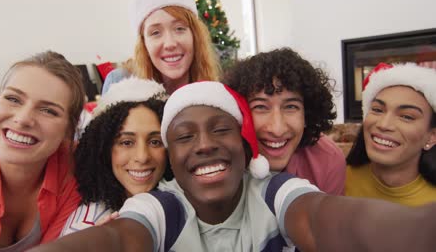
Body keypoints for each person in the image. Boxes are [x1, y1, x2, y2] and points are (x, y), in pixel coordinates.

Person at [30, 81, 436, 252]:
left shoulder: (275, 190)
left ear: (245, 148)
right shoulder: (161, 208)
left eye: (220, 130)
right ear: (171, 158)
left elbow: (321, 218)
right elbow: (120, 240)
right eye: (185, 137)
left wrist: (420, 228)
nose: (204, 145)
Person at [0, 51, 86, 251]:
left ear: (69, 130)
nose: (23, 119)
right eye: (13, 99)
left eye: (48, 110)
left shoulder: (81, 167)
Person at [222, 48, 346, 195]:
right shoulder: (221, 160)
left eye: (291, 107)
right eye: (260, 107)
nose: (277, 129)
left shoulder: (327, 160)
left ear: (307, 114)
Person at [60, 77, 172, 235]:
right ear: (103, 149)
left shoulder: (180, 204)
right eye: (126, 142)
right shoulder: (86, 230)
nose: (142, 157)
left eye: (155, 142)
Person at [346, 63, 436, 206]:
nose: (384, 124)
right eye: (377, 109)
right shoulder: (339, 179)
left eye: (407, 117)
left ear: (432, 136)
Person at [110, 0, 220, 94]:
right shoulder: (120, 83)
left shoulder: (213, 90)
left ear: (194, 35)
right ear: (144, 43)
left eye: (179, 28)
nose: (170, 44)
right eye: (155, 33)